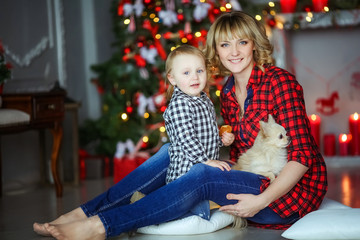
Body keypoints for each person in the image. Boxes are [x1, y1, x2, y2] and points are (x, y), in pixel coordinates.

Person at [33, 11, 327, 240]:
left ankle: (101, 226)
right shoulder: (225, 92)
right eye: (225, 44)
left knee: (202, 175)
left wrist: (259, 201)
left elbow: (302, 157)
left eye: (242, 42)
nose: (234, 51)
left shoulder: (279, 82)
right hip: (252, 175)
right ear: (217, 49)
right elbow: (240, 155)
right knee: (173, 149)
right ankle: (82, 213)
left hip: (285, 194)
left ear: (254, 44)